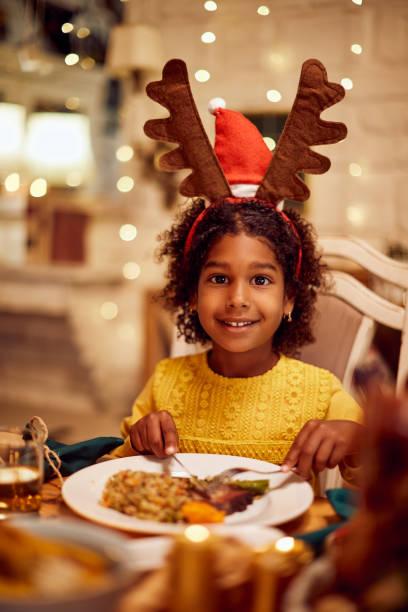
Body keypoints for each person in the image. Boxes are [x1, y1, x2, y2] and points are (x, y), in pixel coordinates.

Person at [111, 58, 364, 482]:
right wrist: (139, 439)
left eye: (261, 279)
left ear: (289, 298)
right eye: (218, 278)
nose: (238, 298)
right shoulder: (165, 381)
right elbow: (121, 468)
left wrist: (355, 439)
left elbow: (382, 481)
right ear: (191, 293)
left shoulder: (322, 393)